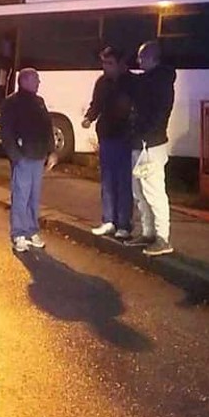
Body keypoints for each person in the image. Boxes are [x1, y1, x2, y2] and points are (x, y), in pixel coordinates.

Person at [126, 41, 176, 256]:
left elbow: (158, 113)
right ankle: (148, 233)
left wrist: (145, 133)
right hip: (142, 143)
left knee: (153, 192)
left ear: (150, 58)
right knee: (139, 191)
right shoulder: (150, 81)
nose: (138, 61)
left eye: (141, 57)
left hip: (151, 145)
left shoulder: (160, 83)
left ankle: (162, 238)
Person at [0, 68, 58, 253]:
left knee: (34, 197)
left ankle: (32, 230)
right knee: (21, 196)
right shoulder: (12, 103)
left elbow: (47, 127)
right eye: (36, 79)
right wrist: (16, 156)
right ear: (24, 81)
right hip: (24, 157)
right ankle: (18, 234)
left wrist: (51, 151)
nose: (39, 82)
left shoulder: (39, 102)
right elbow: (7, 132)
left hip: (38, 156)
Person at [81, 46, 133, 240]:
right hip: (107, 136)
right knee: (108, 181)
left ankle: (124, 224)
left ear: (120, 64)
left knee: (123, 182)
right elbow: (96, 104)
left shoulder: (130, 83)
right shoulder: (102, 82)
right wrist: (89, 117)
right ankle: (109, 221)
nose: (105, 67)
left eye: (109, 63)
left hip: (125, 137)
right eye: (103, 63)